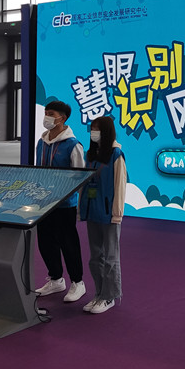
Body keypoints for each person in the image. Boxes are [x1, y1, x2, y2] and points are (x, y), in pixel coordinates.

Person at [35, 100, 86, 302]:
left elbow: (80, 177)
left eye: (51, 114)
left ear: (62, 118)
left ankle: (78, 282)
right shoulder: (41, 142)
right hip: (43, 203)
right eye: (46, 112)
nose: (46, 117)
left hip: (64, 205)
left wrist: (77, 205)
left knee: (68, 243)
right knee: (45, 242)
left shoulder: (73, 145)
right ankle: (56, 279)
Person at [79, 116, 126, 314]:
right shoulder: (90, 155)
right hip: (92, 212)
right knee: (95, 257)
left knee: (110, 258)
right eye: (92, 128)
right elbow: (84, 184)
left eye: (97, 129)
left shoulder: (116, 155)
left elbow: (120, 186)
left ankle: (109, 296)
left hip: (109, 214)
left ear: (106, 131)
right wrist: (81, 209)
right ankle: (99, 293)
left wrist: (117, 214)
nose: (93, 132)